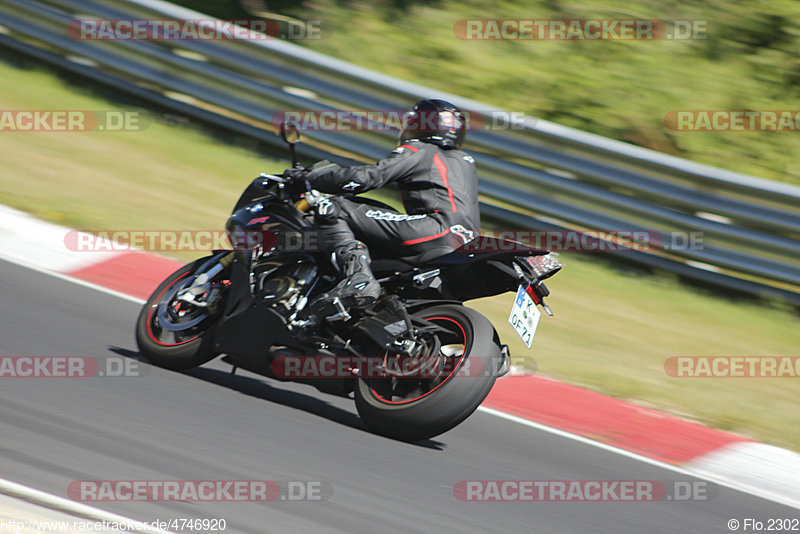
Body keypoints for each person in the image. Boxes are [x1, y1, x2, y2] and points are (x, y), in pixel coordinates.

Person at [286, 99, 480, 314]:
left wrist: (311, 178)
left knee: (333, 207)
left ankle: (358, 280)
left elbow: (365, 178)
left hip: (433, 229)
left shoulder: (419, 149)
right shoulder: (465, 162)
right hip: (464, 242)